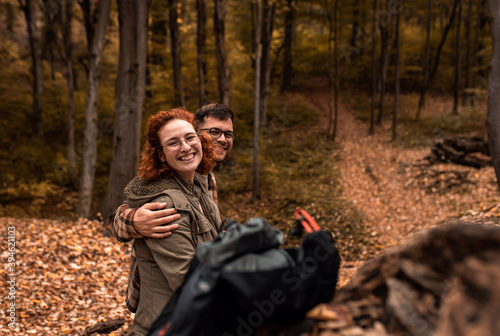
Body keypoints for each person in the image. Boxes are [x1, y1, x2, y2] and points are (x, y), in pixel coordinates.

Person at [110, 104, 235, 312]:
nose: (222, 139)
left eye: (228, 134)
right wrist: (134, 221)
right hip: (169, 312)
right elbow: (124, 213)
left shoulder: (204, 180)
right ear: (199, 132)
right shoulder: (164, 190)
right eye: (214, 132)